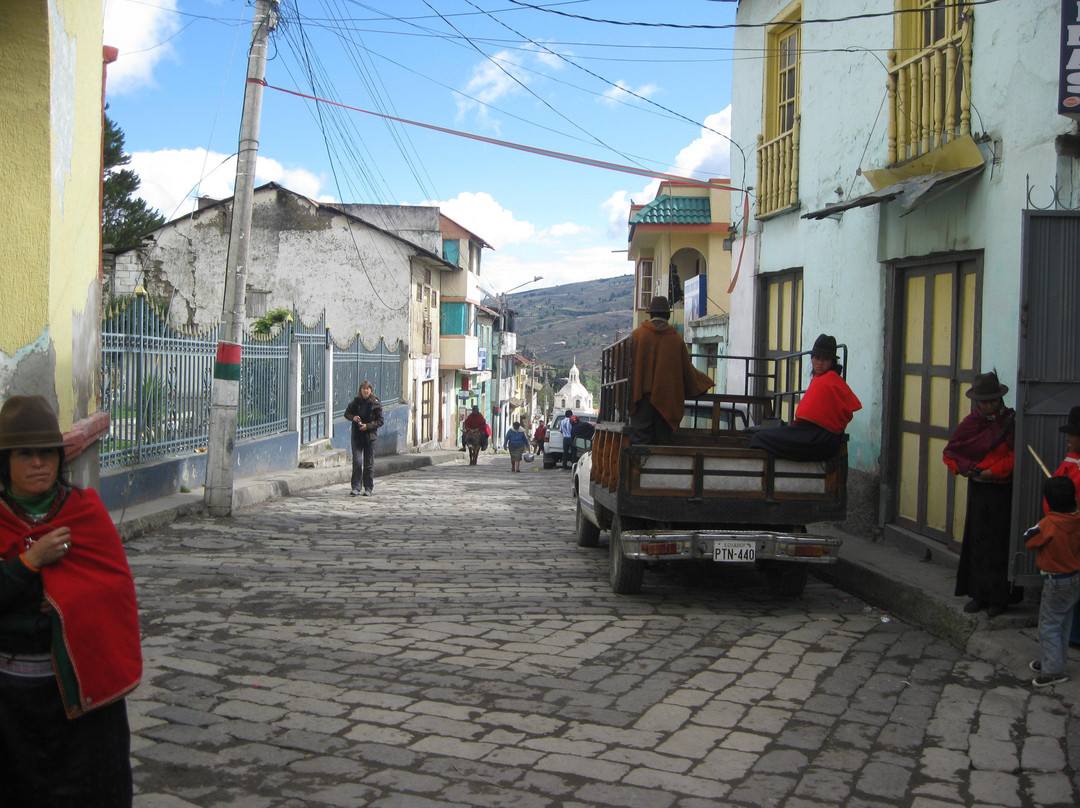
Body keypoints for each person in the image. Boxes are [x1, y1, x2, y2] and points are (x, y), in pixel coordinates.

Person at [0, 395, 142, 805]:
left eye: (46, 453)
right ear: (5, 461)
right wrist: (31, 563)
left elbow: (112, 593)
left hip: (83, 702)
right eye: (24, 454)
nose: (38, 463)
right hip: (9, 704)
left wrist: (64, 601)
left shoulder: (85, 512)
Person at [943, 370, 1022, 617]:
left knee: (999, 543)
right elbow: (952, 453)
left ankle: (999, 599)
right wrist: (966, 470)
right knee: (977, 542)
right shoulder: (970, 424)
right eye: (984, 401)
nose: (988, 406)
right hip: (979, 490)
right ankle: (978, 595)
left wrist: (993, 473)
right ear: (977, 402)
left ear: (1000, 399)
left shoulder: (1010, 424)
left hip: (1001, 489)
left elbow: (1014, 457)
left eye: (993, 401)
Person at [748, 334, 862, 461]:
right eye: (817, 358)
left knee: (760, 438)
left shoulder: (830, 381)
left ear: (832, 362)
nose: (819, 363)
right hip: (810, 433)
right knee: (762, 436)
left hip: (819, 440)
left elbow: (833, 419)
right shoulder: (820, 379)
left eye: (825, 359)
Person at [629, 296, 714, 445]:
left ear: (650, 314)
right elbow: (687, 371)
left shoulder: (636, 336)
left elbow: (622, 365)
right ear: (667, 315)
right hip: (666, 404)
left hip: (641, 402)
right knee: (664, 445)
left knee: (639, 446)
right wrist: (704, 383)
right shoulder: (676, 339)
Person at [1023, 476, 1080, 687]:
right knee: (1063, 623)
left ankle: (1054, 670)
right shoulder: (1076, 520)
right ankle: (1054, 659)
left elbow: (1029, 538)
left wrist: (1044, 521)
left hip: (1055, 581)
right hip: (1075, 578)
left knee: (1049, 625)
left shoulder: (1049, 524)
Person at [344, 380, 384, 497]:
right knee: (357, 461)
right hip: (357, 436)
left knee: (369, 463)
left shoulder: (375, 404)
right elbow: (347, 413)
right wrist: (353, 418)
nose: (365, 391)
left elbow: (380, 421)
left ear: (370, 390)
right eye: (363, 389)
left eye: (367, 389)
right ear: (360, 390)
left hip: (370, 437)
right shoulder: (356, 403)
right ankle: (356, 487)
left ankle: (368, 487)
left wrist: (368, 426)